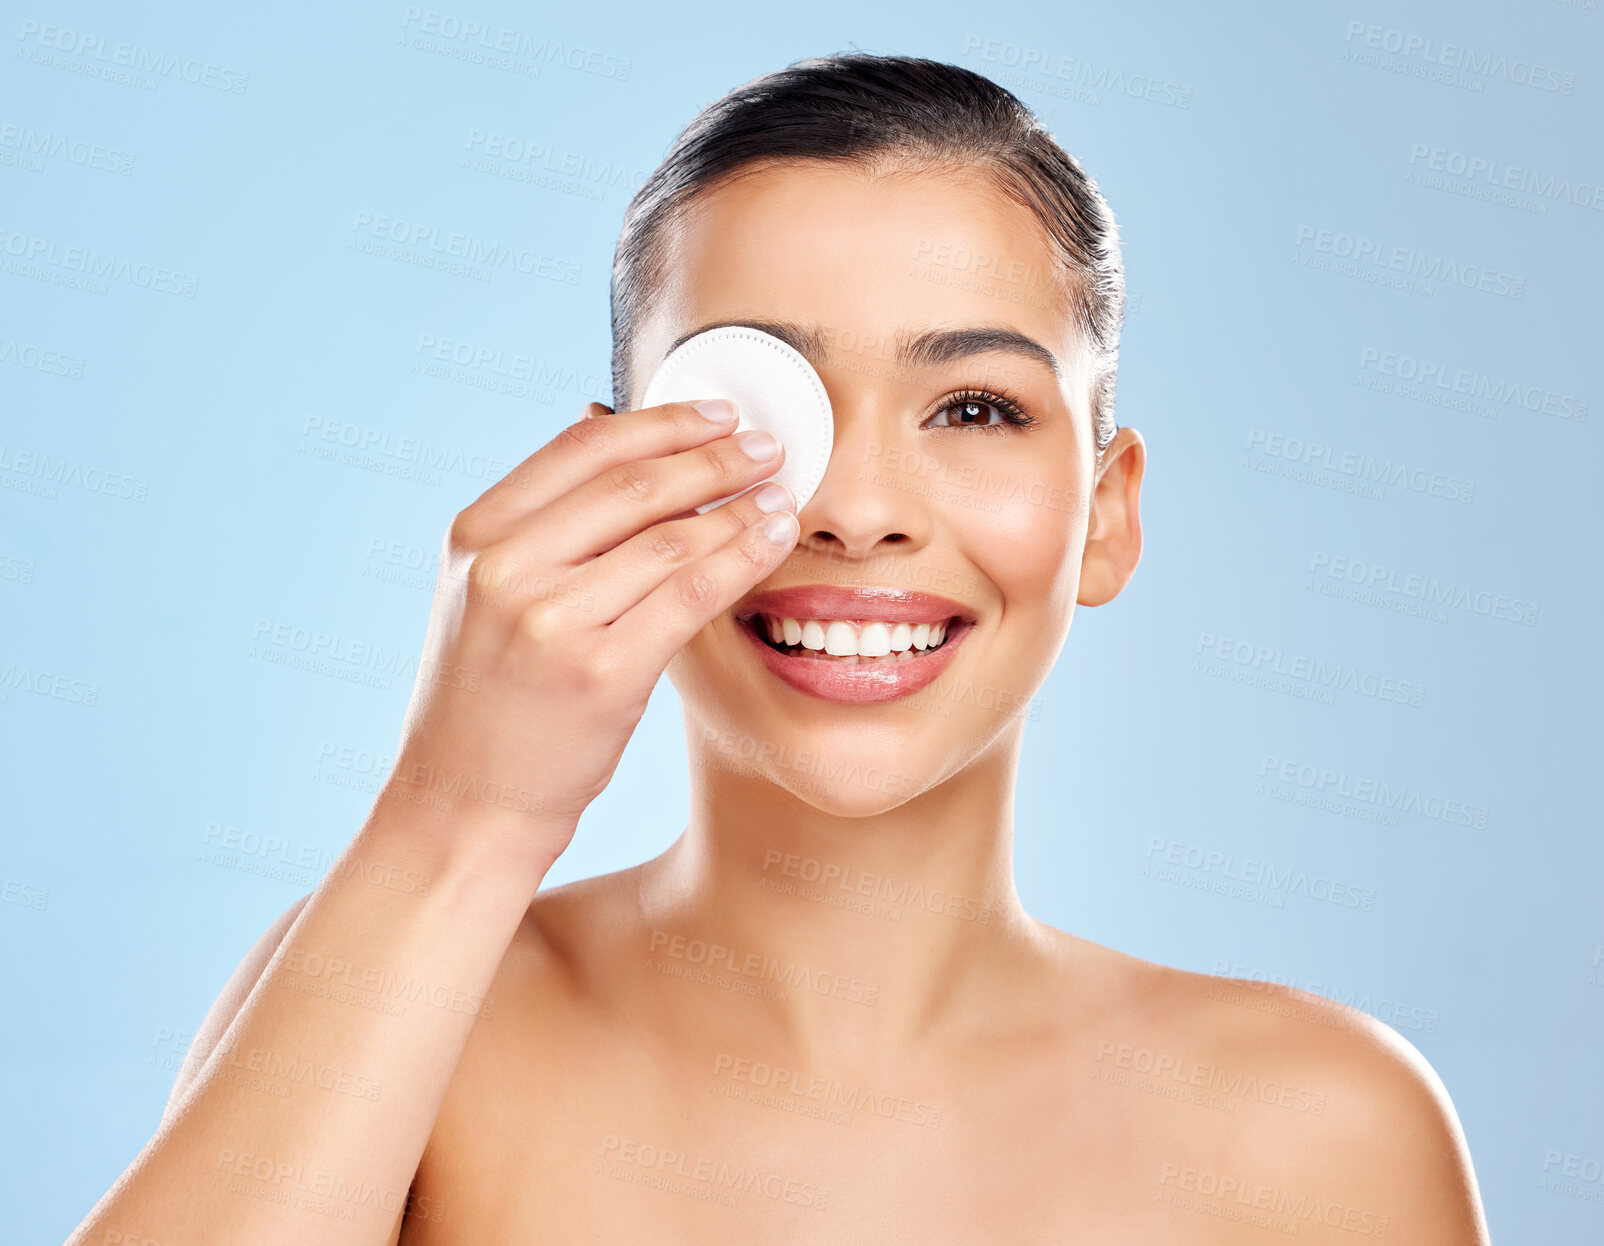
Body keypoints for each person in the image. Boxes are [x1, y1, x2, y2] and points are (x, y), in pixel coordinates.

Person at [68, 53, 1489, 1244]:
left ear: (1106, 514)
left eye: (975, 408)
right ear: (613, 471)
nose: (857, 511)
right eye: (758, 396)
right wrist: (464, 809)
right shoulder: (409, 1004)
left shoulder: (1319, 1134)